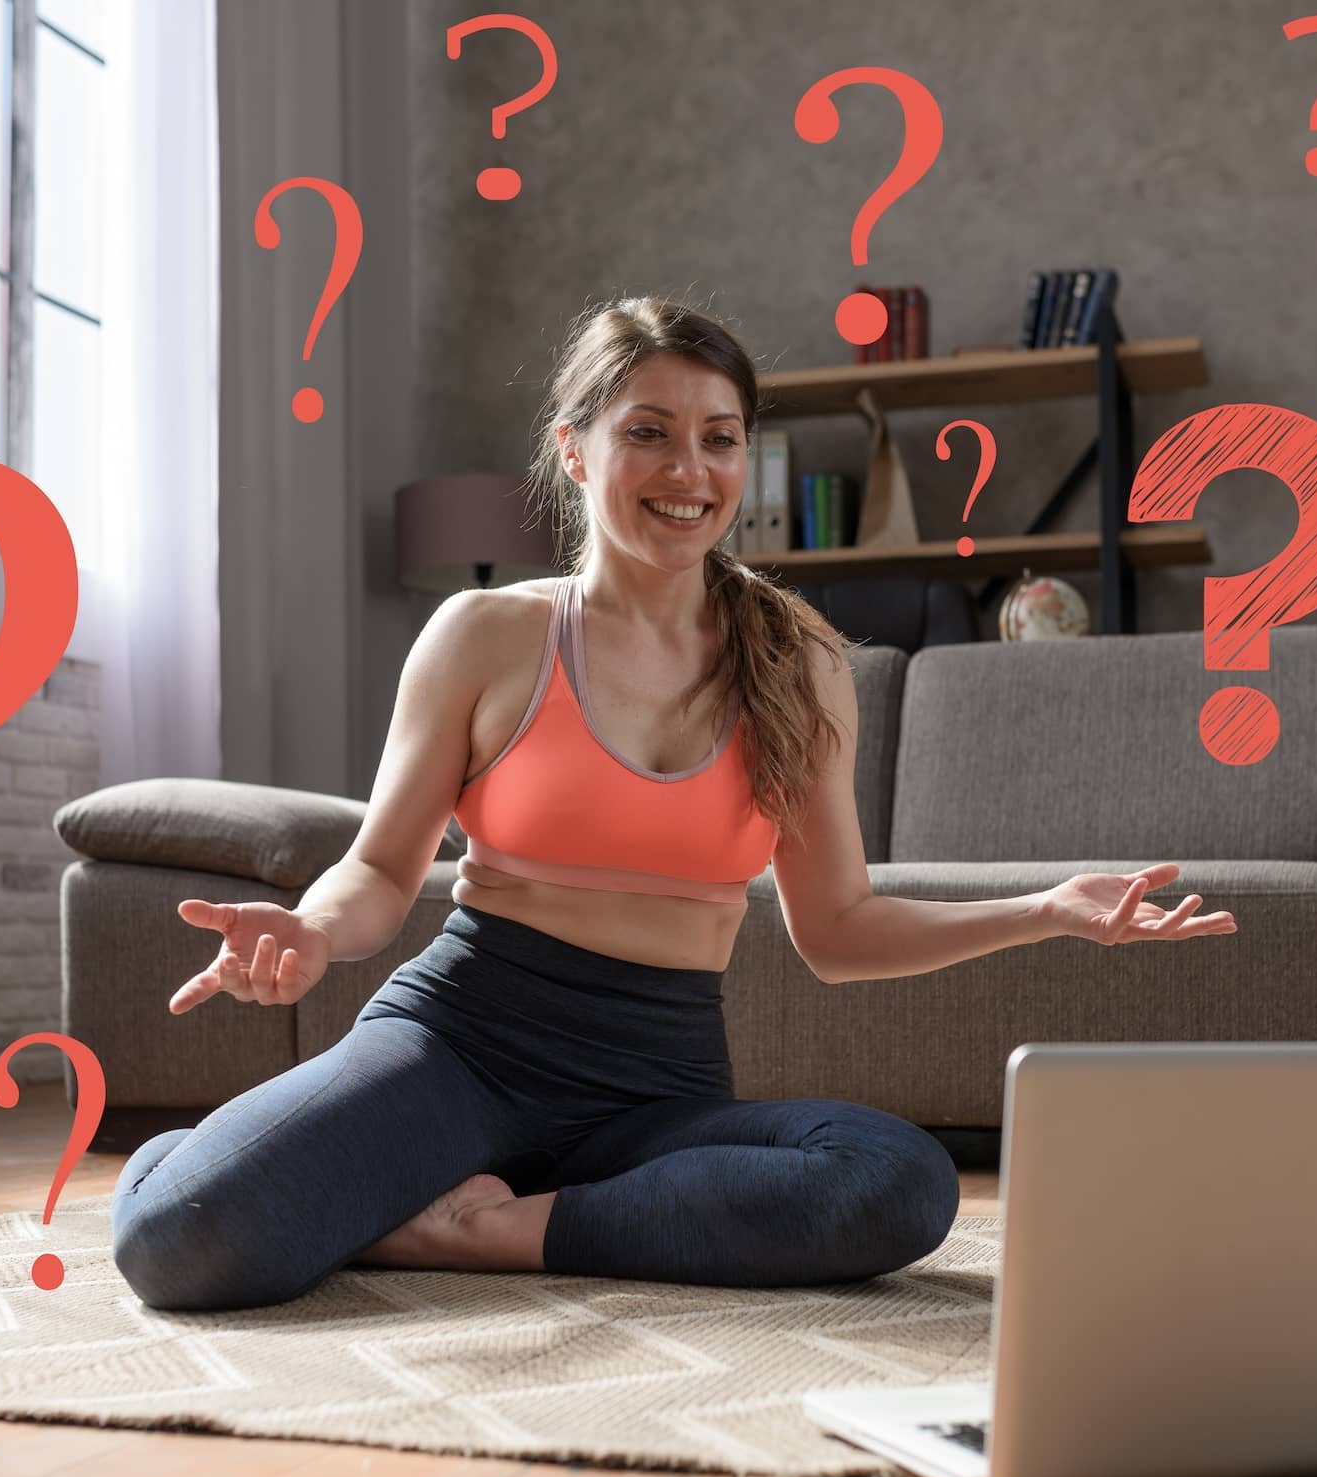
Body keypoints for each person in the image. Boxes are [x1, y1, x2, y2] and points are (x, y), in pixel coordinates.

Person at [109, 295, 1237, 1311]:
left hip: (658, 1089)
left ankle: (480, 1232)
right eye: (647, 430)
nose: (687, 469)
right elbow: (380, 870)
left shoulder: (798, 658)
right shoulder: (487, 636)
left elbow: (839, 932)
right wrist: (310, 929)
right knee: (178, 1237)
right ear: (574, 450)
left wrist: (1045, 910)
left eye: (720, 438)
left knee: (895, 1183)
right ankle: (270, 1158)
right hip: (460, 1049)